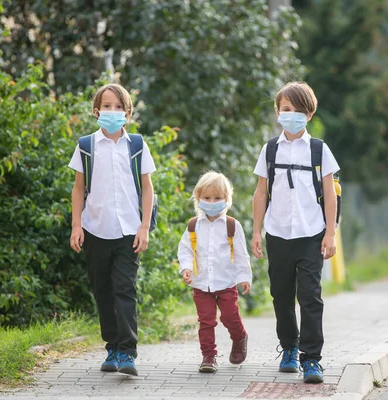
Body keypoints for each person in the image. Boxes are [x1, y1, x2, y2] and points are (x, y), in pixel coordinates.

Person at [251, 81, 340, 384]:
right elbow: (260, 193)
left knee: (310, 297)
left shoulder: (319, 150)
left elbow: (330, 195)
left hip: (311, 235)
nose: (291, 115)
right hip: (277, 235)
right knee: (281, 296)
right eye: (286, 109)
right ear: (277, 112)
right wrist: (255, 232)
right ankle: (289, 347)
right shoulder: (270, 149)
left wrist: (330, 233)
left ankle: (311, 359)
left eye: (298, 110)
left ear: (309, 114)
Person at [68, 83, 156, 376]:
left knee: (124, 289)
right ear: (96, 111)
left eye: (119, 107)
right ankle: (113, 349)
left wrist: (144, 227)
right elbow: (78, 189)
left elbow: (147, 188)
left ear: (128, 113)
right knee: (102, 291)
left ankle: (128, 353)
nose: (112, 111)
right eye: (107, 106)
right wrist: (76, 225)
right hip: (95, 230)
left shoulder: (137, 145)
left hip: (129, 231)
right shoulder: (86, 145)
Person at [177, 171, 252, 373]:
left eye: (217, 198)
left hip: (226, 283)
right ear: (198, 198)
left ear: (226, 200)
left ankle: (239, 337)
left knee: (230, 316)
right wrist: (185, 268)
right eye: (207, 198)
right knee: (206, 321)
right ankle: (208, 356)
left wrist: (244, 277)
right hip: (201, 283)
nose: (212, 202)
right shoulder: (193, 225)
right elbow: (185, 249)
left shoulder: (232, 226)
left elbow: (241, 254)